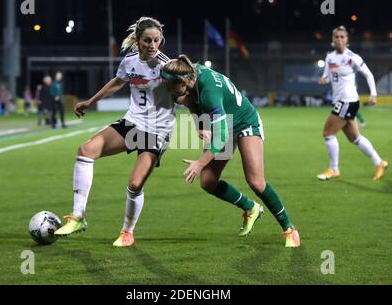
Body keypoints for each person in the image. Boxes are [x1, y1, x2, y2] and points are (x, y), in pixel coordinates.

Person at [54, 17, 175, 247]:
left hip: (157, 131)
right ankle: (78, 217)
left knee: (135, 184)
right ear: (137, 41)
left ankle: (127, 232)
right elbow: (117, 82)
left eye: (156, 40)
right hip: (133, 123)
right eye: (147, 40)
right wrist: (90, 102)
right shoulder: (130, 61)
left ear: (161, 41)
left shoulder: (166, 66)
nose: (152, 45)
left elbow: (186, 91)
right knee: (86, 150)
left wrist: (202, 124)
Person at [160, 54, 300, 248]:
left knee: (256, 182)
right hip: (224, 123)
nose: (167, 90)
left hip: (244, 122)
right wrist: (199, 123)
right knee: (208, 182)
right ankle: (250, 208)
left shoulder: (209, 92)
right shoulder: (191, 71)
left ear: (183, 81)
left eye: (169, 86)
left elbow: (222, 137)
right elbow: (188, 99)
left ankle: (290, 229)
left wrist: (200, 162)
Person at [317, 26, 388, 181]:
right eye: (337, 37)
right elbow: (327, 76)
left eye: (342, 37)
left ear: (347, 40)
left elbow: (368, 74)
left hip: (347, 101)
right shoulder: (330, 57)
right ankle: (379, 162)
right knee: (355, 138)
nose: (340, 39)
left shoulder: (352, 57)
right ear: (332, 40)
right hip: (340, 101)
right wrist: (324, 79)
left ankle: (333, 169)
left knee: (328, 133)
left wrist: (373, 95)